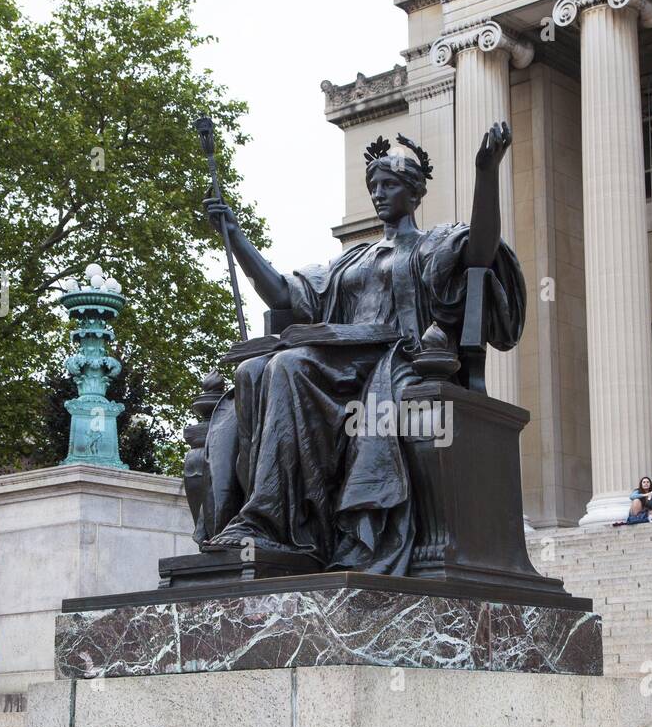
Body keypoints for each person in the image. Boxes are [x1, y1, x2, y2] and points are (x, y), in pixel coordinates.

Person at [198, 124, 525, 574]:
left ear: (414, 193)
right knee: (253, 371)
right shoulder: (352, 259)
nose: (378, 194)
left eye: (388, 185)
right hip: (339, 363)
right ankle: (285, 528)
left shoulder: (436, 244)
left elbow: (482, 252)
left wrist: (486, 174)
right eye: (373, 186)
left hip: (393, 363)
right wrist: (236, 237)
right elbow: (282, 295)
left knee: (289, 367)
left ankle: (268, 520)